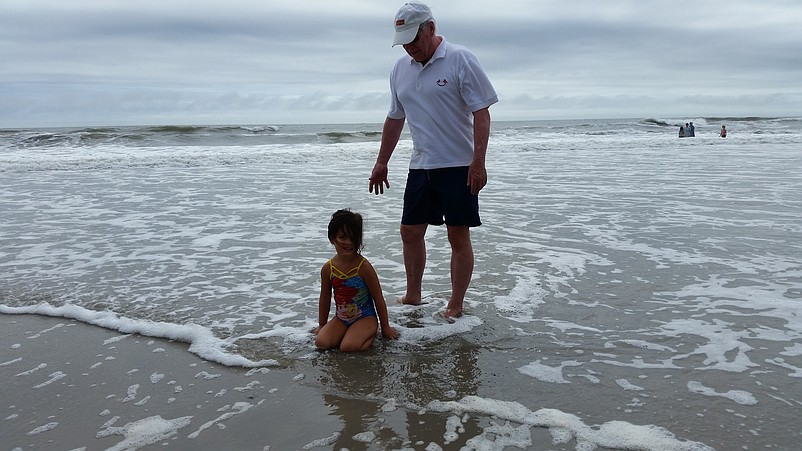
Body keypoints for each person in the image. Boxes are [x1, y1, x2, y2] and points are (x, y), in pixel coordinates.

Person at [368, 2, 498, 319]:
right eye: (404, 42)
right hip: (420, 166)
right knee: (410, 231)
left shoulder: (460, 59)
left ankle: (455, 303)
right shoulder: (399, 69)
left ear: (431, 27)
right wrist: (381, 161)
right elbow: (395, 118)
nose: (410, 48)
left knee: (457, 234)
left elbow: (482, 113)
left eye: (414, 39)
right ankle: (413, 295)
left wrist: (478, 162)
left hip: (458, 165)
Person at [315, 209, 398, 351]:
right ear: (332, 238)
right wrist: (322, 325)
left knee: (347, 347)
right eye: (342, 237)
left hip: (365, 318)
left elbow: (378, 298)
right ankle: (348, 334)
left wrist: (385, 327)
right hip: (341, 319)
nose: (348, 242)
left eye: (353, 238)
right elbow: (325, 298)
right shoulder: (328, 269)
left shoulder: (363, 267)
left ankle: (369, 336)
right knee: (321, 343)